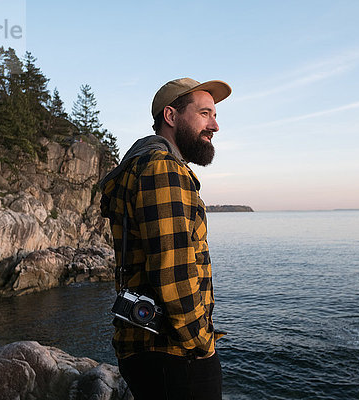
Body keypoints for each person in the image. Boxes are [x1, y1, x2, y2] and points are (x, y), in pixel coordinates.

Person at [100, 77, 231, 400]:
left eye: (214, 115)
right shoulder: (162, 169)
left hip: (146, 348)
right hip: (172, 353)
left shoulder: (139, 163)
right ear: (171, 116)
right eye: (204, 113)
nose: (215, 125)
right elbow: (173, 270)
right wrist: (201, 344)